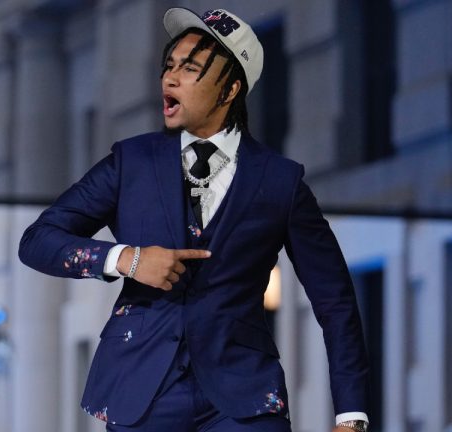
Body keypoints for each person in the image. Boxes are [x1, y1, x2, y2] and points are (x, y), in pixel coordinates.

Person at [19, 6, 369, 432]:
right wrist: (127, 259)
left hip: (243, 398)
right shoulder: (131, 162)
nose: (169, 77)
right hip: (142, 390)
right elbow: (38, 240)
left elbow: (334, 299)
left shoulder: (281, 181)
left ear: (230, 89)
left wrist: (351, 415)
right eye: (169, 66)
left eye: (190, 68)